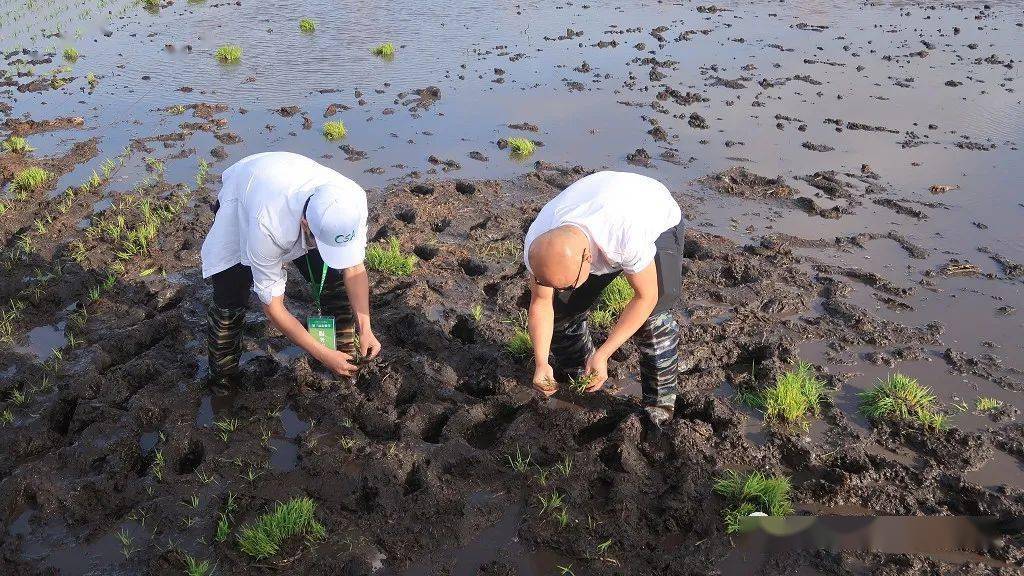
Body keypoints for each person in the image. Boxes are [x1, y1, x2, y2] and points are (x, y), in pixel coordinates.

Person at [200, 151, 381, 389]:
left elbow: (354, 269)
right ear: (306, 225)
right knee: (230, 303)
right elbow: (273, 307)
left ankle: (345, 359)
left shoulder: (351, 202)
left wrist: (365, 328)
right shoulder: (266, 226)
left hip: (293, 182)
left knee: (335, 286)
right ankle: (222, 380)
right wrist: (321, 354)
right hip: (246, 194)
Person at [524, 171, 685, 426]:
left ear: (588, 259)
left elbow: (645, 297)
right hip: (600, 200)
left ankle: (659, 407)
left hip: (653, 210)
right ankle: (580, 374)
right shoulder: (538, 242)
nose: (561, 288)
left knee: (654, 318)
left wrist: (603, 354)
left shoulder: (625, 238)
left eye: (566, 284)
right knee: (561, 308)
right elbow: (541, 303)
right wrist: (541, 362)